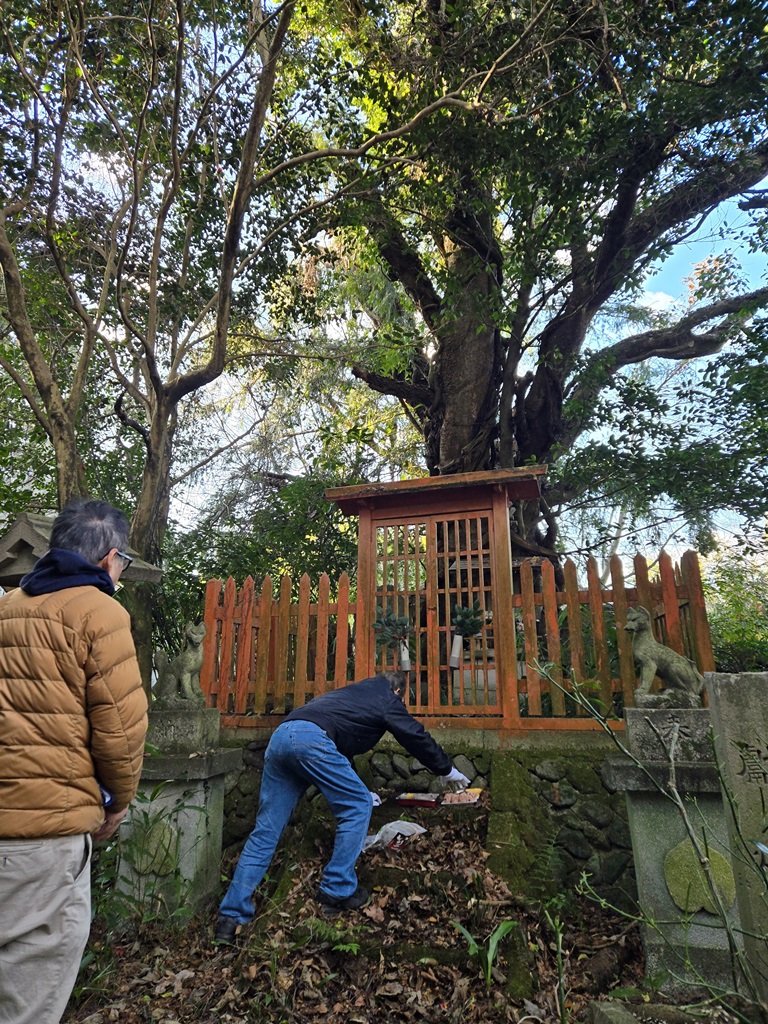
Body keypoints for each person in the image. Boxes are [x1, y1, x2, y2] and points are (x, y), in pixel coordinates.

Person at [0, 499, 148, 1024]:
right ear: (111, 558)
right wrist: (118, 802)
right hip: (45, 833)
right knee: (29, 996)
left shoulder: (7, 607)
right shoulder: (100, 612)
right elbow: (121, 730)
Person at [215, 671, 469, 942]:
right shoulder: (386, 697)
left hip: (282, 737)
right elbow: (413, 734)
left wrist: (361, 788)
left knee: (265, 832)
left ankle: (230, 918)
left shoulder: (348, 695)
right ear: (398, 692)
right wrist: (447, 770)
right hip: (308, 740)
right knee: (357, 806)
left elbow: (338, 750)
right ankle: (337, 887)